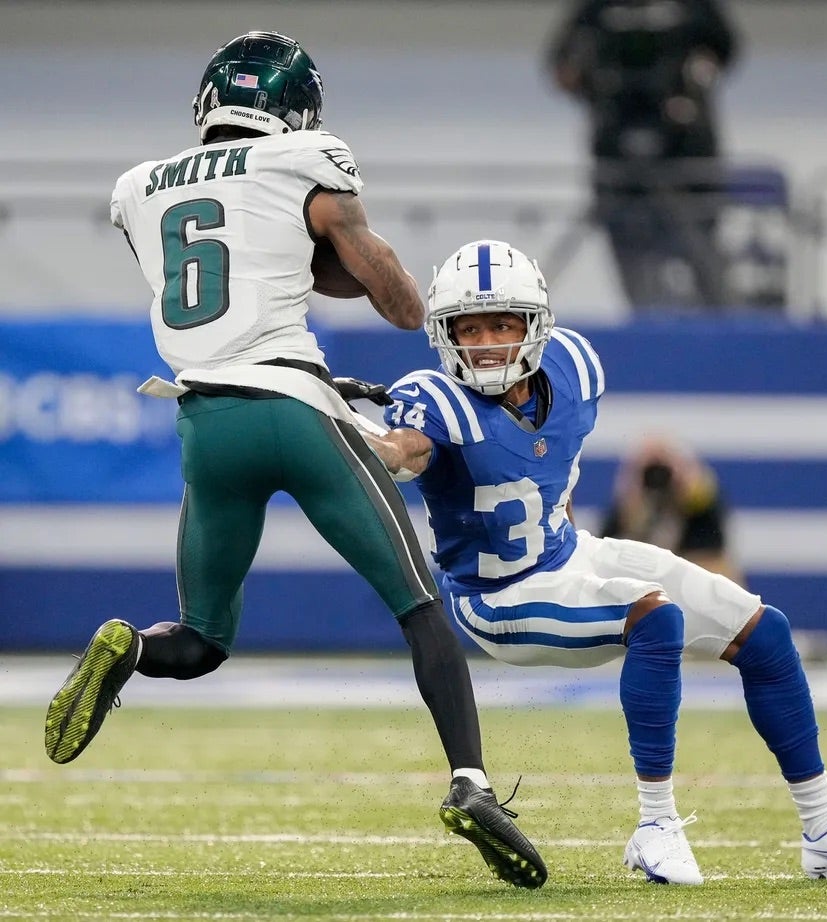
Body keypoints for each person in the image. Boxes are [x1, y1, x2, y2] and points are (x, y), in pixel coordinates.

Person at [42, 34, 546, 890]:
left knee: (200, 639)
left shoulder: (138, 188)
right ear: (297, 111)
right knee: (421, 607)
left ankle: (125, 650)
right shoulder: (305, 158)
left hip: (203, 420)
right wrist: (388, 283)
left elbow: (239, 267)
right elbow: (388, 295)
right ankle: (473, 784)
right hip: (293, 408)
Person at [356, 238, 827, 884]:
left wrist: (580, 557)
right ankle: (654, 827)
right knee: (654, 619)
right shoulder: (431, 399)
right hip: (498, 597)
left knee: (764, 631)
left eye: (501, 323)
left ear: (535, 326)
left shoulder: (574, 365)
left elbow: (548, 467)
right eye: (469, 328)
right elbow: (405, 450)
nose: (486, 341)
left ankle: (825, 829)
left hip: (568, 555)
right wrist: (379, 445)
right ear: (444, 335)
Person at [546, 0, 738, 311]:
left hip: (686, 156)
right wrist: (591, 84)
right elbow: (562, 65)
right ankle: (647, 321)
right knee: (637, 271)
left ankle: (722, 326)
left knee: (702, 260)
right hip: (617, 160)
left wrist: (691, 83)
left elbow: (724, 51)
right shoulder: (597, 10)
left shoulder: (695, 9)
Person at [600, 435, 745, 584]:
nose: (658, 475)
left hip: (692, 582)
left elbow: (716, 560)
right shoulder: (627, 508)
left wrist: (689, 488)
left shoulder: (702, 511)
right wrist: (631, 497)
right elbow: (605, 558)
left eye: (665, 467)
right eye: (649, 468)